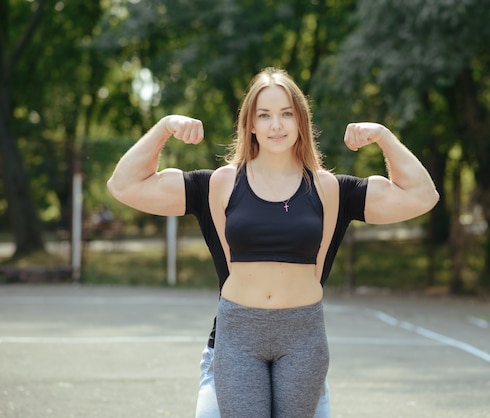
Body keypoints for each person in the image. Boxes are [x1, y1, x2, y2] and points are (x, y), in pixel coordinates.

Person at [107, 67, 439, 417]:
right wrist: (164, 128)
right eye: (264, 115)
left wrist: (384, 137)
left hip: (303, 336)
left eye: (286, 114)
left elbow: (422, 196)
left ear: (301, 122)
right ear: (250, 124)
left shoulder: (330, 189)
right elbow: (124, 186)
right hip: (238, 335)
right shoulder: (220, 184)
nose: (276, 125)